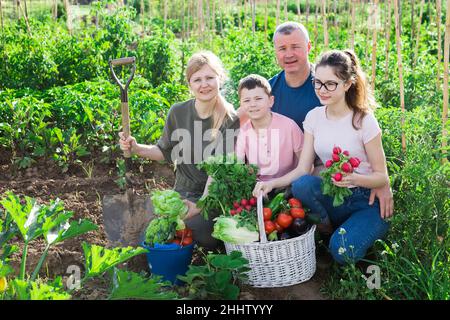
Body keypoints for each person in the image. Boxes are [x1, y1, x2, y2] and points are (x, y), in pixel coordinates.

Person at [253, 49, 390, 264]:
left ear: (347, 84)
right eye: (318, 83)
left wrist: (354, 179)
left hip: (366, 200)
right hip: (334, 196)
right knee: (303, 184)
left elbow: (382, 176)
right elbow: (302, 168)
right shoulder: (314, 117)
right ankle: (327, 231)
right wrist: (271, 183)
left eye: (330, 84)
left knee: (343, 252)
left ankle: (356, 238)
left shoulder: (363, 120)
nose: (322, 90)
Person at [267, 21, 394, 219]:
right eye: (282, 48)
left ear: (308, 47)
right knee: (302, 184)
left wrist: (382, 182)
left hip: (331, 173)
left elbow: (362, 132)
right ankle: (323, 226)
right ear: (275, 50)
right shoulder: (271, 91)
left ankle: (343, 225)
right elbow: (242, 112)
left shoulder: (325, 78)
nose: (289, 54)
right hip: (306, 173)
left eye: (295, 47)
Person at [119, 51, 240, 250]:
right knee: (151, 229)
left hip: (214, 196)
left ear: (220, 79)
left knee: (196, 230)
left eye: (210, 78)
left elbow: (218, 171)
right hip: (183, 191)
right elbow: (164, 152)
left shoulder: (230, 119)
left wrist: (200, 206)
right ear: (189, 84)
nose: (204, 84)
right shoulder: (178, 112)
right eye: (197, 79)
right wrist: (136, 148)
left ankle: (209, 242)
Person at [235, 74, 304, 183]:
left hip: (290, 184)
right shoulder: (242, 133)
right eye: (247, 100)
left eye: (258, 98)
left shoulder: (289, 126)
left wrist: (276, 185)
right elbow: (239, 168)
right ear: (241, 105)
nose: (253, 104)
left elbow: (307, 166)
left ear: (270, 101)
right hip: (258, 188)